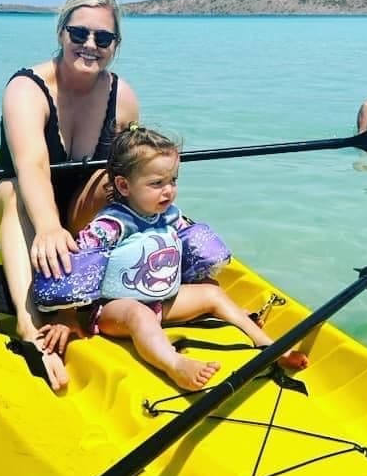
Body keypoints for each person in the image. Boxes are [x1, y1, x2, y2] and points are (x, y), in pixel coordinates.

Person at [37, 125, 308, 391]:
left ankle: (266, 344)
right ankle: (174, 364)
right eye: (156, 184)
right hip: (115, 310)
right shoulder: (110, 226)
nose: (168, 191)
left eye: (172, 181)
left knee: (211, 293)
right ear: (123, 185)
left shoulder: (170, 216)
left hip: (163, 302)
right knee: (137, 313)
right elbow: (76, 266)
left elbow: (191, 249)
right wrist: (65, 315)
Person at [0, 0, 139, 391]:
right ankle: (31, 329)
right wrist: (48, 228)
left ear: (115, 45)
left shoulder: (123, 97)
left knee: (116, 179)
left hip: (76, 214)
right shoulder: (26, 88)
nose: (90, 45)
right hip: (12, 203)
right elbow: (30, 164)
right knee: (16, 194)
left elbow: (131, 176)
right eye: (79, 33)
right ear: (61, 32)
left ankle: (106, 296)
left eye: (103, 38)